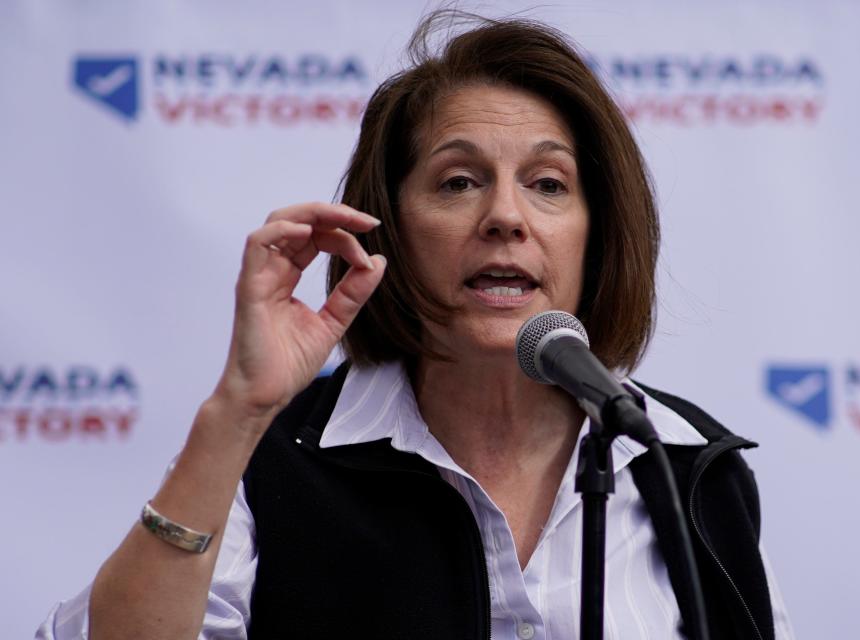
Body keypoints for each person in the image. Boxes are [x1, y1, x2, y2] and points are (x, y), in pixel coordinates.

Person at [39, 12, 793, 640]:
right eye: (458, 182)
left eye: (548, 185)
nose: (505, 217)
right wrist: (238, 411)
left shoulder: (690, 466)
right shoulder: (277, 463)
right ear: (390, 229)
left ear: (598, 235)